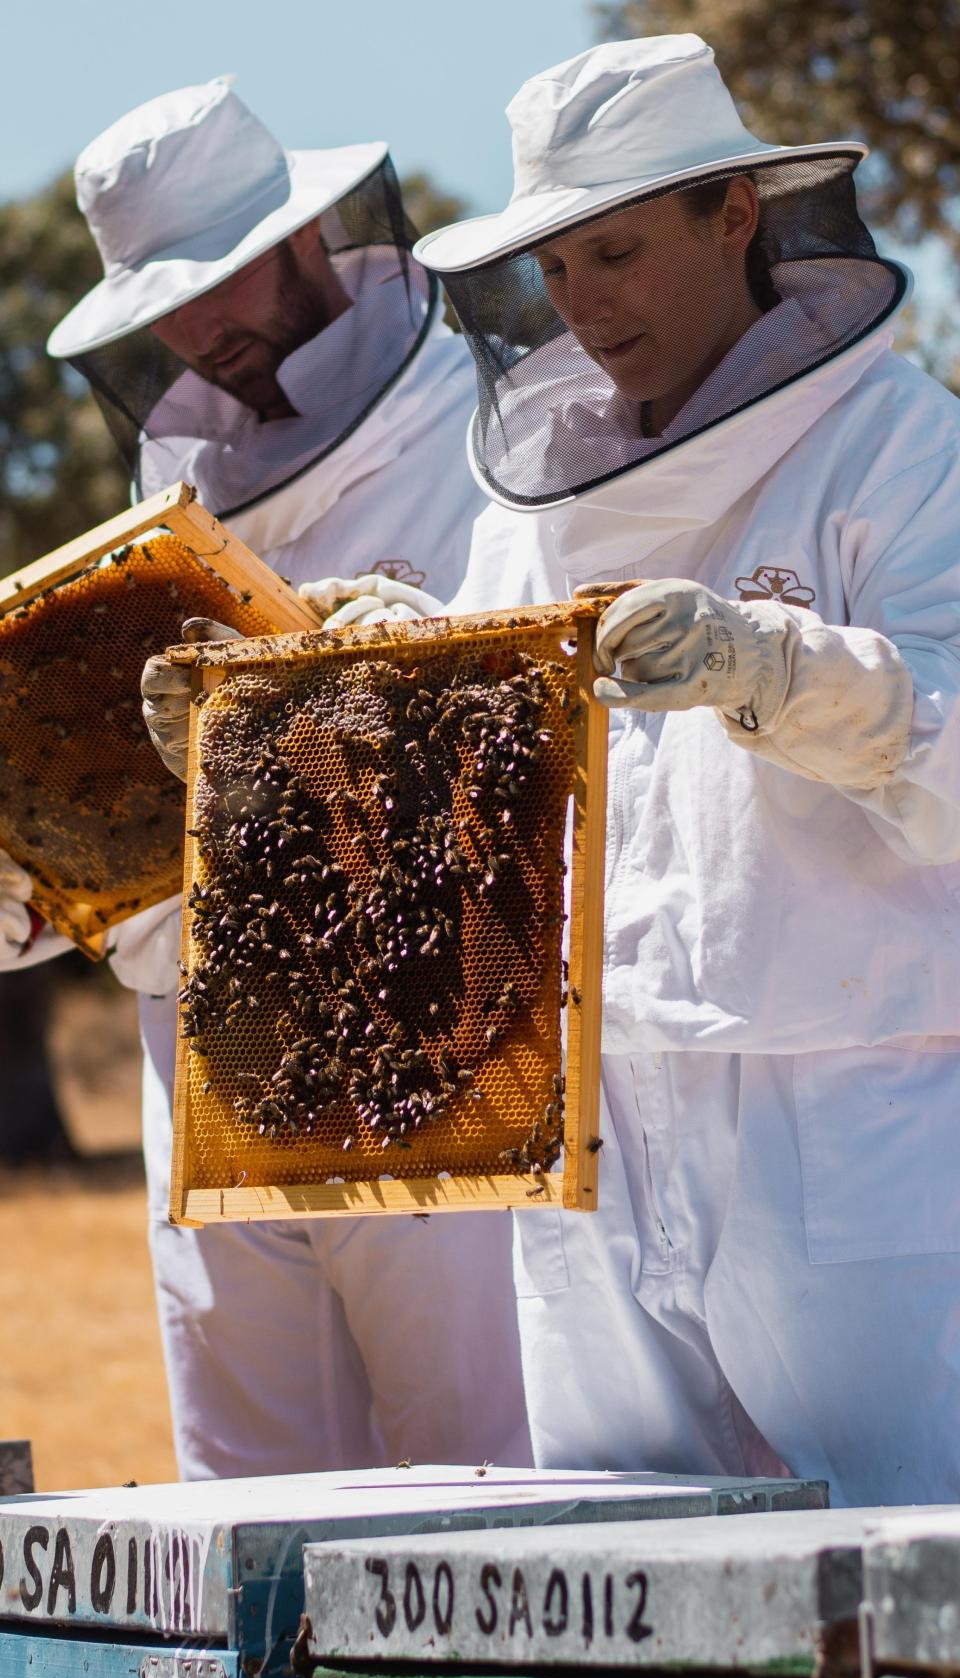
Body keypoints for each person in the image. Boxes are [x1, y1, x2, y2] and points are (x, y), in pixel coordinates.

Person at [411, 33, 960, 1507]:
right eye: (559, 269)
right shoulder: (526, 515)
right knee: (619, 1578)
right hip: (584, 1114)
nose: (586, 306)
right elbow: (453, 782)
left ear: (736, 215)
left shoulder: (898, 447)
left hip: (841, 1101)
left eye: (618, 251)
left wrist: (777, 669)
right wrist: (345, 676)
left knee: (911, 1557)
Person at [45, 76, 531, 1479]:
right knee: (245, 1515)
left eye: (217, 288)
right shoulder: (176, 463)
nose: (200, 336)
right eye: (165, 312)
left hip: (442, 1039)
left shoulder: (486, 432)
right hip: (213, 1056)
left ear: (305, 235)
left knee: (479, 1489)